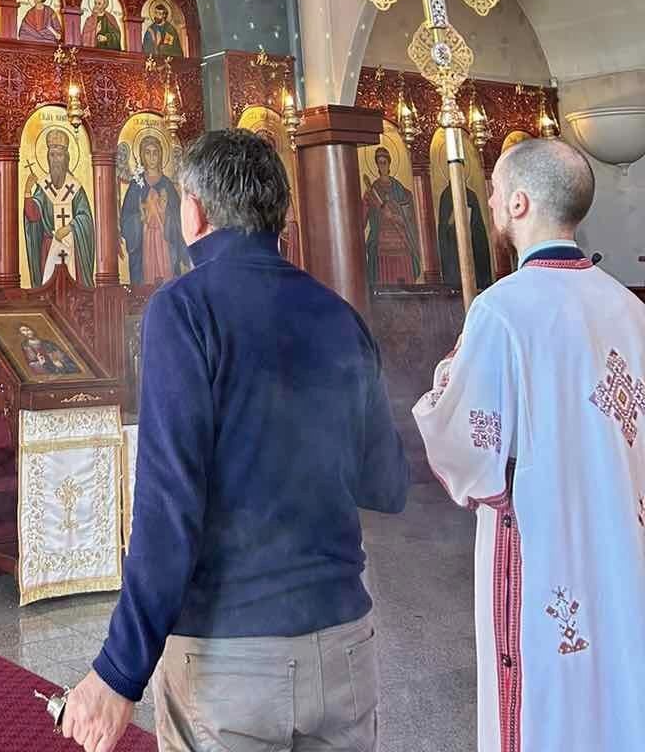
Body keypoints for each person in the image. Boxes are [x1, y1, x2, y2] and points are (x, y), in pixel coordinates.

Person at [62, 130, 409, 751]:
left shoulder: (184, 309)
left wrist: (118, 671)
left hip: (233, 660)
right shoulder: (339, 315)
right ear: (278, 212)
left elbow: (169, 505)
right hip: (345, 647)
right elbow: (387, 484)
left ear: (193, 211)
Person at [414, 137, 645, 752]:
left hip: (544, 539)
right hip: (624, 536)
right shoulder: (629, 307)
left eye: (493, 191)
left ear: (519, 203)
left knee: (548, 694)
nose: (488, 201)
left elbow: (467, 445)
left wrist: (446, 380)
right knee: (622, 673)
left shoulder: (501, 310)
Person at [23, 129, 96, 287]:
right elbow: (33, 216)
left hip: (73, 246)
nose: (55, 160)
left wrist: (69, 227)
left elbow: (85, 218)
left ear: (66, 158)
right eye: (52, 155)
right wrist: (28, 191)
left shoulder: (75, 187)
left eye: (59, 155)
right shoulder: (43, 187)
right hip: (49, 247)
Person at [119, 133, 186, 284]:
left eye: (155, 153)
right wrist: (141, 217)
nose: (152, 157)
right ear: (142, 156)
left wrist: (165, 214)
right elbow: (126, 218)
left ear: (161, 155)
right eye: (148, 153)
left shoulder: (167, 185)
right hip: (143, 244)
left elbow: (179, 217)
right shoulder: (136, 185)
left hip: (164, 242)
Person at [362, 147, 420, 286]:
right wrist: (366, 202)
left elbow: (408, 216)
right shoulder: (373, 189)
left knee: (405, 281)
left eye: (385, 162)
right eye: (379, 163)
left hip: (400, 240)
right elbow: (364, 218)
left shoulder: (400, 189)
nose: (382, 166)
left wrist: (393, 215)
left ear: (389, 164)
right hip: (382, 242)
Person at [437, 180, 492, 291]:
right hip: (453, 244)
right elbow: (444, 226)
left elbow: (478, 225)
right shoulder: (446, 195)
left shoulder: (471, 195)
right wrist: (455, 214)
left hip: (472, 240)